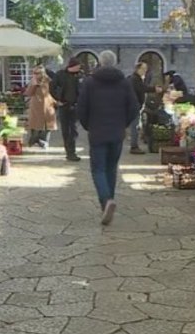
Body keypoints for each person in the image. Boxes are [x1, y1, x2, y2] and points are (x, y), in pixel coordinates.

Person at [78, 50, 140, 225]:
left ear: (100, 62)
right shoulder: (124, 83)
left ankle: (106, 201)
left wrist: (88, 125)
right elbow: (134, 107)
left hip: (97, 131)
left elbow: (81, 108)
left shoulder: (90, 83)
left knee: (98, 169)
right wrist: (124, 124)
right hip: (117, 132)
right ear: (114, 63)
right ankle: (109, 200)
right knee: (111, 168)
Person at [51, 57, 82, 161]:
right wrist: (57, 100)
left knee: (73, 130)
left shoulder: (79, 75)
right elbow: (52, 87)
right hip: (64, 105)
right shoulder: (60, 75)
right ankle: (69, 151)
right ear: (72, 66)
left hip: (75, 105)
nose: (79, 68)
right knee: (66, 130)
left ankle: (71, 151)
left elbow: (82, 89)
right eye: (77, 66)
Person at [129, 62, 162, 154]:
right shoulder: (135, 79)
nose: (145, 71)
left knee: (136, 125)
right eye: (143, 69)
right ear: (138, 69)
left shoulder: (137, 78)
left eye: (146, 69)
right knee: (135, 126)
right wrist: (154, 89)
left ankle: (134, 144)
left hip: (136, 105)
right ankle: (134, 146)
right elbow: (142, 88)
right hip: (134, 106)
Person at [25, 65, 57, 149]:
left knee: (48, 125)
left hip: (48, 105)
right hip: (36, 105)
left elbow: (52, 91)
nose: (35, 75)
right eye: (34, 73)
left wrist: (55, 101)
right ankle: (33, 140)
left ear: (42, 73)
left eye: (37, 73)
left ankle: (44, 141)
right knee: (35, 125)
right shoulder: (33, 81)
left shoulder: (48, 80)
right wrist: (34, 85)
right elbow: (28, 93)